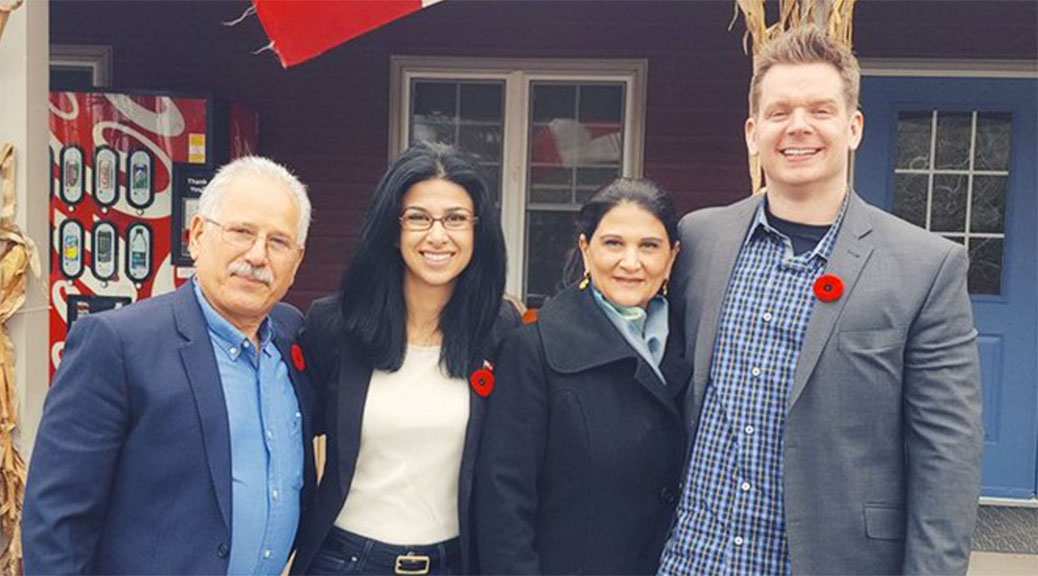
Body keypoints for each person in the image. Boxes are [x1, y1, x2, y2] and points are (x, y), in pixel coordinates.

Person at [657, 26, 983, 576]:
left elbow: (947, 458)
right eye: (780, 111)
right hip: (694, 558)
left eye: (820, 110)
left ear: (853, 127)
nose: (798, 126)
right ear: (752, 132)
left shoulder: (924, 266)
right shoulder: (701, 239)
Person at [23, 156, 317, 575]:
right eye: (241, 232)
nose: (257, 255)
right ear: (197, 234)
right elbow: (57, 521)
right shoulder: (118, 344)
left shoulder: (291, 337)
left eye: (278, 242)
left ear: (297, 260)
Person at [291, 141, 518, 575]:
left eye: (455, 219)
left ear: (478, 230)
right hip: (345, 560)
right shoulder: (334, 325)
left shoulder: (499, 329)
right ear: (392, 230)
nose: (437, 236)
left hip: (453, 563)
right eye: (418, 218)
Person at [475, 178, 691, 575]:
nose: (631, 262)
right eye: (613, 244)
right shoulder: (534, 350)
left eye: (649, 245)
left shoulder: (692, 343)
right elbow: (504, 501)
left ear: (672, 256)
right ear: (585, 250)